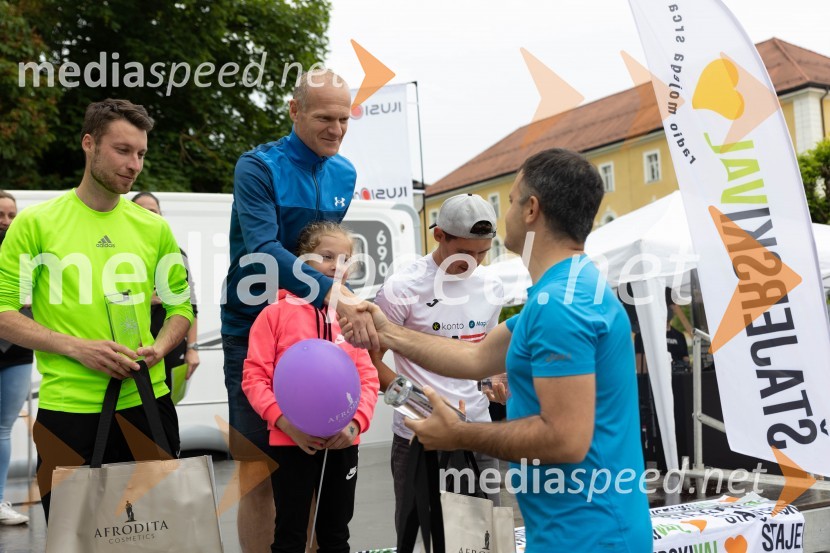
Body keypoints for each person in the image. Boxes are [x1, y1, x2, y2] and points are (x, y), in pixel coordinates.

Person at [342, 149, 652, 552]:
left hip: (589, 534)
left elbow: (564, 439)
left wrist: (460, 433)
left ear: (531, 209)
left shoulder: (561, 305)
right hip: (574, 529)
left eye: (509, 201)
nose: (503, 214)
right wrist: (388, 331)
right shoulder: (561, 291)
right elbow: (474, 359)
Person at [0, 99, 193, 521]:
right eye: (122, 150)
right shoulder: (36, 223)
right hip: (69, 409)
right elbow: (3, 312)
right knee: (76, 538)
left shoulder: (154, 227)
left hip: (147, 401)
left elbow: (181, 306)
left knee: (157, 538)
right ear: (89, 144)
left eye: (141, 153)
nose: (134, 164)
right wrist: (77, 348)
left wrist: (160, 347)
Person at [221, 68, 377, 551]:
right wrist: (333, 296)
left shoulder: (345, 173)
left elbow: (325, 251)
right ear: (293, 111)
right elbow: (265, 248)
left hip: (314, 332)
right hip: (252, 325)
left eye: (344, 118)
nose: (336, 129)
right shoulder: (257, 166)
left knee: (313, 463)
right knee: (259, 471)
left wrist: (337, 300)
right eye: (323, 117)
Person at [370, 193, 505, 533]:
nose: (473, 262)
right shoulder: (403, 287)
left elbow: (486, 355)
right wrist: (414, 402)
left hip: (477, 431)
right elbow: (368, 360)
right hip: (420, 436)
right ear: (439, 235)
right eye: (464, 252)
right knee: (426, 535)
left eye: (482, 252)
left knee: (485, 536)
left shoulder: (492, 283)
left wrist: (495, 382)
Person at [242, 221, 379, 553]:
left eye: (345, 260)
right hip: (291, 442)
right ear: (301, 262)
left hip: (344, 442)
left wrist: (354, 424)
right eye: (327, 256)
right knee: (290, 535)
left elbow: (368, 379)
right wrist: (286, 424)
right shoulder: (273, 315)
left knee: (335, 535)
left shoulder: (353, 317)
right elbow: (255, 378)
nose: (336, 266)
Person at [132, 191, 200, 395]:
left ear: (161, 215)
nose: (147, 215)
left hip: (171, 350)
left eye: (153, 211)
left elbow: (191, 306)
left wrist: (192, 349)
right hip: (132, 351)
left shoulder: (176, 254)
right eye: (140, 210)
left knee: (166, 412)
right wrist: (146, 299)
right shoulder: (117, 254)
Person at [0, 191, 31, 525]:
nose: (6, 221)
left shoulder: (25, 253)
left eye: (11, 215)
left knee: (2, 429)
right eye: (1, 214)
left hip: (18, 351)